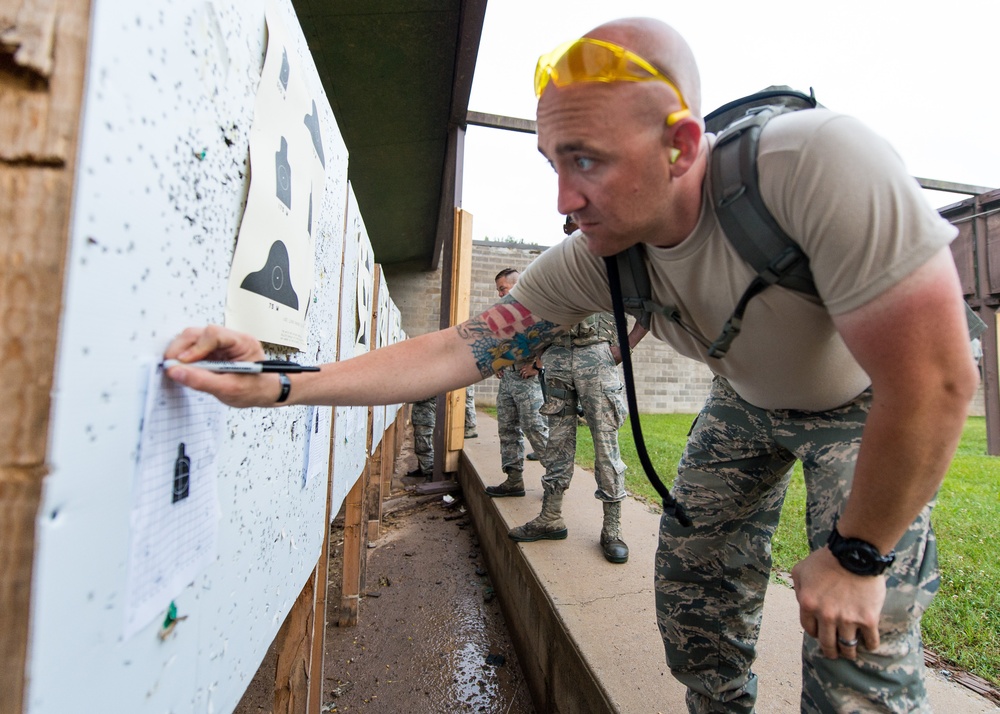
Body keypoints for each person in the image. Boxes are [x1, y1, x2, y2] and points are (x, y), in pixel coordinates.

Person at [164, 16, 978, 712]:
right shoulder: (598, 255)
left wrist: (858, 554)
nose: (563, 199)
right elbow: (458, 348)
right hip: (747, 404)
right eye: (552, 163)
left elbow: (936, 381)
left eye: (585, 160)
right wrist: (280, 382)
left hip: (867, 405)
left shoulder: (811, 164)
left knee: (858, 643)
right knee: (694, 596)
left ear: (681, 145)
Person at [505, 216, 643, 565]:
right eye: (571, 225)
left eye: (582, 221)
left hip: (597, 358)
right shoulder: (558, 266)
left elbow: (648, 311)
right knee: (557, 442)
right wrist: (537, 355)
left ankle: (612, 529)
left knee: (605, 445)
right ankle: (551, 517)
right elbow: (541, 316)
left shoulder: (618, 263)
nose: (576, 228)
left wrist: (620, 350)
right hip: (558, 362)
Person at [484, 268, 550, 498]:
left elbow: (551, 338)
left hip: (527, 379)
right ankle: (514, 480)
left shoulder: (535, 310)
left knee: (535, 428)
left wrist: (537, 366)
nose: (501, 293)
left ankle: (555, 483)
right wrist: (497, 363)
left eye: (503, 288)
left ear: (516, 284)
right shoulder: (504, 314)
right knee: (507, 429)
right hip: (508, 380)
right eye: (499, 290)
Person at [405, 396, 435, 479]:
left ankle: (429, 473)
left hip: (426, 419)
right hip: (422, 418)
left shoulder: (431, 385)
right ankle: (423, 469)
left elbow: (420, 396)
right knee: (420, 445)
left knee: (424, 447)